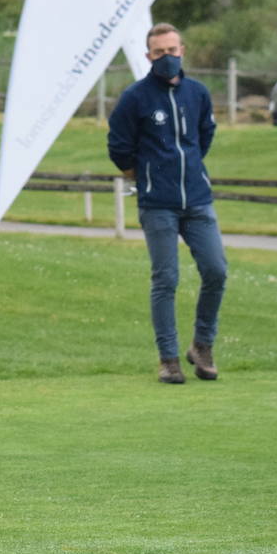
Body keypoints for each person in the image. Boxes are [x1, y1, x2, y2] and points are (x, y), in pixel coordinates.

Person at [107, 22, 228, 384]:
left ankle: (202, 346)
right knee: (166, 279)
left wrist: (188, 169)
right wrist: (142, 175)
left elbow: (204, 137)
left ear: (182, 51)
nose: (167, 58)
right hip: (157, 203)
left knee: (216, 270)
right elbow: (118, 146)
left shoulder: (198, 93)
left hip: (198, 200)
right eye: (159, 53)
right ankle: (169, 359)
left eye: (172, 51)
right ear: (148, 56)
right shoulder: (135, 98)